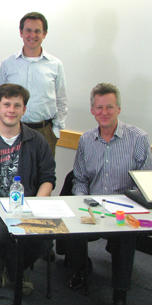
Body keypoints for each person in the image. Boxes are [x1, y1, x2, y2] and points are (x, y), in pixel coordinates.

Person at [66, 83, 152, 305]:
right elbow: (80, 179)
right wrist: (81, 205)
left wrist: (126, 208)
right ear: (93, 110)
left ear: (119, 109)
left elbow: (145, 184)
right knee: (72, 222)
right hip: (92, 206)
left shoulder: (139, 139)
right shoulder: (86, 140)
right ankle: (82, 270)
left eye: (110, 107)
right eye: (99, 108)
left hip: (125, 208)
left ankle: (120, 292)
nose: (104, 113)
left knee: (124, 236)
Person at [0, 84, 55, 295]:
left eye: (17, 105)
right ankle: (17, 273)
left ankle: (7, 263)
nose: (11, 110)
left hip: (28, 205)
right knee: (2, 234)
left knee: (45, 241)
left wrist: (36, 205)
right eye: (6, 105)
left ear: (24, 109)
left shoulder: (37, 140)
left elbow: (48, 178)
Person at [0, 12, 67, 157]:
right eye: (28, 30)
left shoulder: (55, 65)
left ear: (44, 34)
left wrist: (55, 131)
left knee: (42, 176)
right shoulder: (8, 64)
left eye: (37, 31)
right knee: (10, 175)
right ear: (21, 32)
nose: (32, 35)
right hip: (12, 129)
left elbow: (61, 101)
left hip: (44, 131)